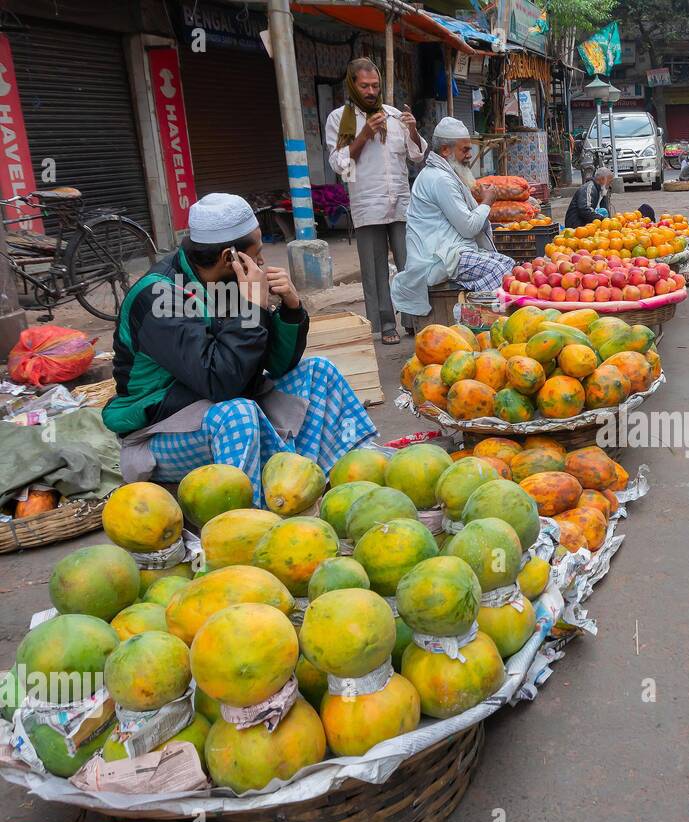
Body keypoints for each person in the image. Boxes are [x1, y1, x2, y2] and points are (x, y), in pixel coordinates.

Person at [103, 193, 376, 505]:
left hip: (216, 405)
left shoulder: (230, 283)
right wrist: (251, 310)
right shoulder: (159, 297)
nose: (261, 263)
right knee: (238, 414)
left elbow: (276, 364)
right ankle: (251, 519)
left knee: (320, 372)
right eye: (256, 254)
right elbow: (221, 382)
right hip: (157, 434)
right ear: (228, 257)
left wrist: (290, 308)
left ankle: (341, 479)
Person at [325, 58, 426, 345]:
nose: (371, 91)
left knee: (410, 263)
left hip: (401, 202)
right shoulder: (339, 119)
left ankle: (412, 319)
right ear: (352, 84)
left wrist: (414, 130)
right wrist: (365, 134)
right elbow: (341, 165)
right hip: (367, 204)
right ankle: (384, 324)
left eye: (375, 86)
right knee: (374, 267)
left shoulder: (394, 116)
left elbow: (417, 155)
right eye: (364, 86)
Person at [391, 117, 517, 322]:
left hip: (449, 251)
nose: (469, 156)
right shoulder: (440, 179)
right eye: (465, 150)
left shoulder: (444, 174)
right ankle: (470, 318)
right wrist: (486, 203)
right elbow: (468, 228)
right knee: (498, 270)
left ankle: (477, 312)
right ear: (445, 151)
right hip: (436, 258)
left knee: (509, 263)